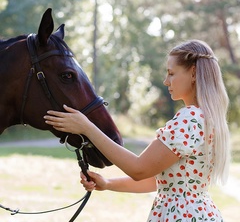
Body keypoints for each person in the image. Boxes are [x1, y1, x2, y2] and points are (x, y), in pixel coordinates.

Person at [44, 39, 230, 221]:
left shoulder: (189, 119)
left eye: (171, 73)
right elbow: (155, 178)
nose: (166, 81)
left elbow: (139, 169)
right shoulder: (206, 118)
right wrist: (108, 183)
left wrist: (86, 127)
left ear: (194, 73)